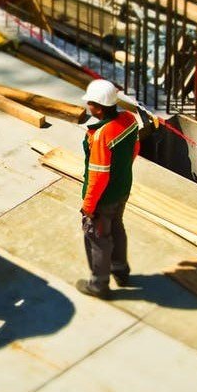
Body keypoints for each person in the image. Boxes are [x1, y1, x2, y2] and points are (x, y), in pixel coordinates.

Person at [76, 79, 140, 299]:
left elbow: (98, 175)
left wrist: (89, 205)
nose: (88, 107)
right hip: (122, 189)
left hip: (103, 198)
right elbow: (135, 148)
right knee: (117, 227)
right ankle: (121, 272)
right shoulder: (129, 120)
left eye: (90, 104)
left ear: (99, 107)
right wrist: (121, 175)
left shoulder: (102, 134)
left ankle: (99, 285)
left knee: (98, 238)